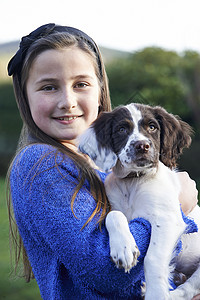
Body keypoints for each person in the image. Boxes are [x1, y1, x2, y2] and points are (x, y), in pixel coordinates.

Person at [7, 23, 199, 299]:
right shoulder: (42, 163)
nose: (68, 101)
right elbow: (105, 270)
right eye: (49, 87)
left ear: (100, 90)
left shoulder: (104, 164)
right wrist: (178, 203)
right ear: (25, 97)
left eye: (81, 84)